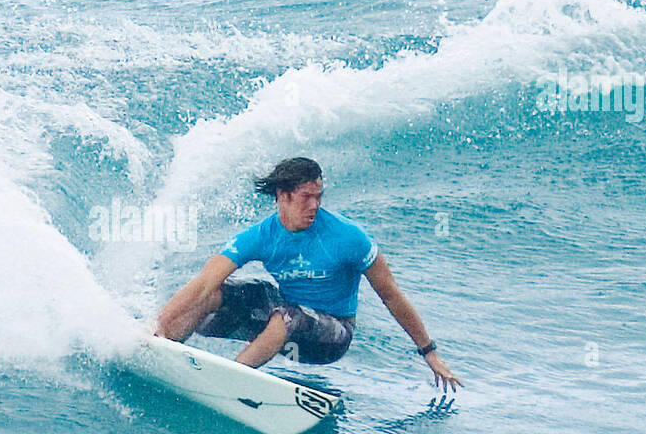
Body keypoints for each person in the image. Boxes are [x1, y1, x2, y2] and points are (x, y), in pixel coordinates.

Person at [154, 157, 462, 392]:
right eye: (306, 197)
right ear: (282, 196)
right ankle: (161, 347)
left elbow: (392, 295)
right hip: (283, 319)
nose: (314, 205)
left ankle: (227, 382)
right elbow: (206, 281)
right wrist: (158, 324)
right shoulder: (261, 235)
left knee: (287, 316)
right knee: (217, 290)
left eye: (319, 196)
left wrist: (429, 352)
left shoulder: (348, 237)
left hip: (330, 336)